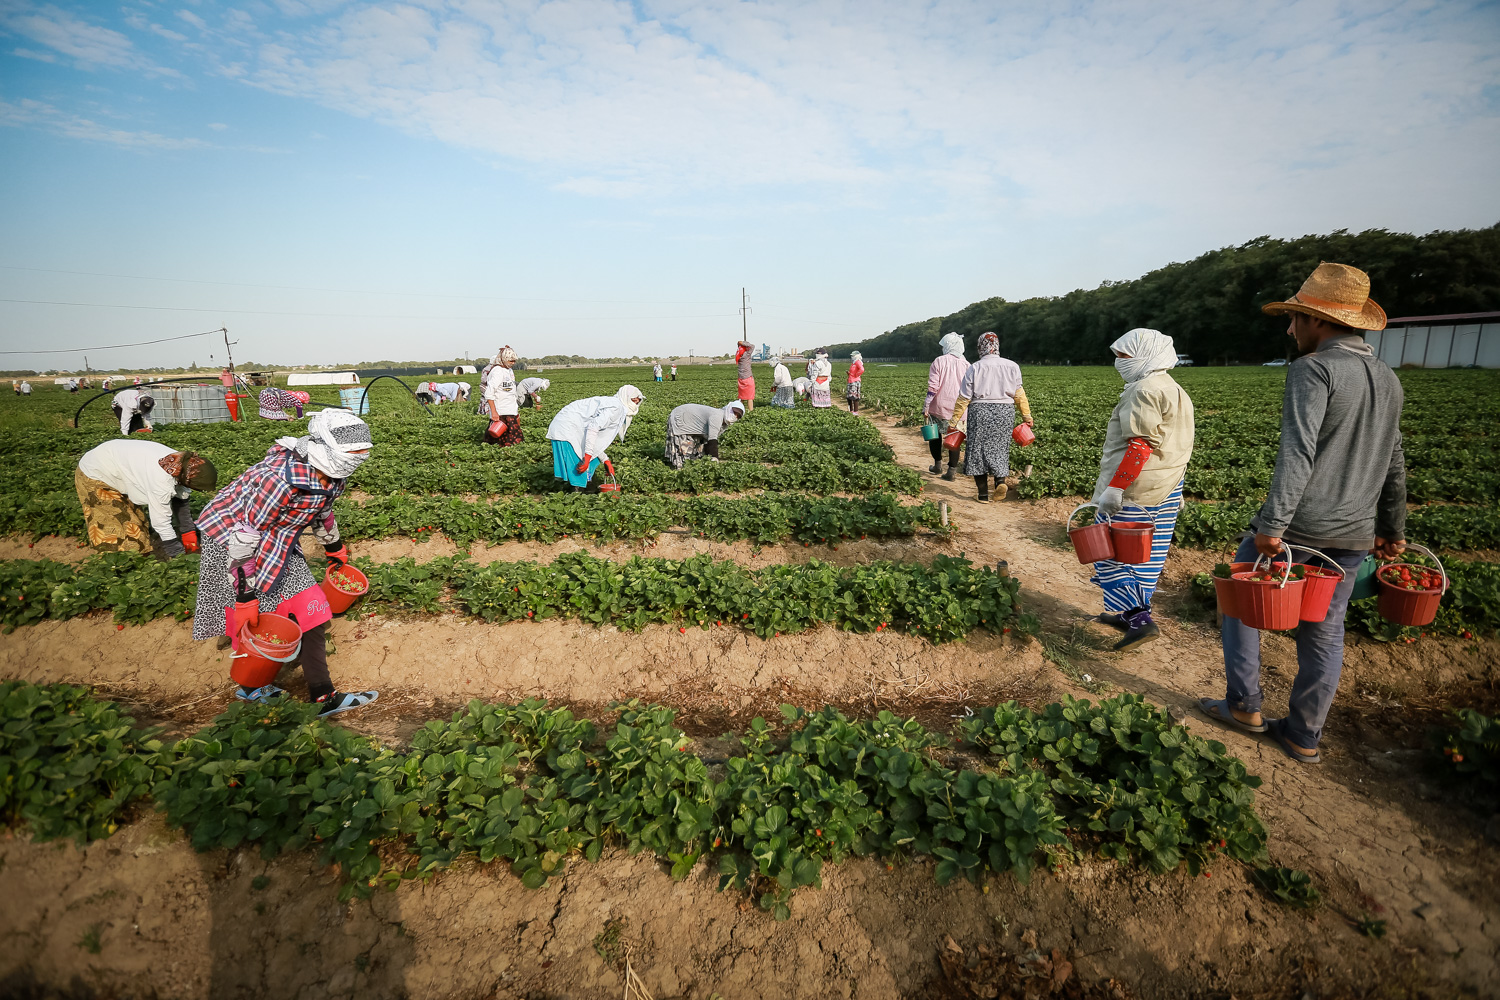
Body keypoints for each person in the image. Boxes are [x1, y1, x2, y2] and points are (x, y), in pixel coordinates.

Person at [1200, 262, 1404, 764]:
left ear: (1320, 321)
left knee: (1241, 603)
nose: (1290, 329)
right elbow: (1395, 459)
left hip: (1301, 528)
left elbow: (1298, 454)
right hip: (1354, 535)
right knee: (1325, 629)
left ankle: (1244, 705)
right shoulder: (1388, 378)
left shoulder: (1314, 370)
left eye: (1295, 319)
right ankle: (1303, 734)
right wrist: (1391, 529)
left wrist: (1272, 526)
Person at [192, 409, 379, 716]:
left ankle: (323, 696)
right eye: (353, 451)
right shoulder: (279, 480)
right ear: (326, 447)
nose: (359, 457)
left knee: (313, 610)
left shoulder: (333, 475)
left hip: (279, 538)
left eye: (362, 451)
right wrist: (244, 596)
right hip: (233, 540)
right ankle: (251, 687)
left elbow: (322, 511)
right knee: (255, 619)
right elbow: (244, 538)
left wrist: (335, 547)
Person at [1087, 328, 1195, 651]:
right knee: (1146, 557)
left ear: (1144, 355)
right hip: (1167, 489)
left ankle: (1139, 619)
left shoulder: (1144, 390)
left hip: (1137, 490)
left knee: (1106, 551)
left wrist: (1115, 488)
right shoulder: (1176, 390)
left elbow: (1140, 446)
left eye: (1124, 355)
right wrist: (1179, 489)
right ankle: (1131, 614)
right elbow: (1178, 445)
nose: (1118, 362)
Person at [76, 440, 217, 558]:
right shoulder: (161, 480)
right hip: (96, 473)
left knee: (137, 520)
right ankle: (116, 566)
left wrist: (188, 532)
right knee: (123, 531)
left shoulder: (182, 464)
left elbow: (181, 500)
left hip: (117, 466)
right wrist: (177, 554)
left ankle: (138, 558)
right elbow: (161, 522)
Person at [948, 332, 1030, 502]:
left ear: (980, 347)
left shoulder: (975, 367)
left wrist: (954, 422)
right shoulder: (1012, 366)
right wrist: (1026, 415)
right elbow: (1019, 394)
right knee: (1000, 448)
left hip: (980, 411)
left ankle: (983, 495)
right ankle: (1000, 482)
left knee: (977, 451)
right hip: (1005, 412)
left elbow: (964, 398)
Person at [546, 385, 644, 491]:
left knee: (592, 458)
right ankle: (576, 495)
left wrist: (605, 460)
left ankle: (582, 488)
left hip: (571, 428)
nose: (635, 404)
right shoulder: (615, 408)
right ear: (625, 397)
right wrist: (587, 457)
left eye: (637, 401)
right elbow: (593, 428)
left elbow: (595, 439)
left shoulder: (616, 405)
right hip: (566, 429)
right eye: (633, 400)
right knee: (579, 465)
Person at [925, 333, 970, 480]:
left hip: (939, 406)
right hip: (959, 409)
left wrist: (926, 405)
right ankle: (951, 471)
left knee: (934, 436)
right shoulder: (966, 364)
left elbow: (933, 387)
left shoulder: (939, 361)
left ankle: (937, 465)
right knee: (954, 438)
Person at [665, 402, 743, 468]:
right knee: (684, 454)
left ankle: (690, 463)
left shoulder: (725, 424)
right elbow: (712, 439)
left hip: (691, 422)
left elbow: (709, 439)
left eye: (738, 416)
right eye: (734, 412)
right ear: (728, 409)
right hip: (681, 418)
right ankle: (680, 467)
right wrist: (714, 458)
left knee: (697, 455)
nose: (734, 416)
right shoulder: (717, 416)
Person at [483, 347, 522, 446]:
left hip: (510, 409)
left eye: (514, 361)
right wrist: (494, 412)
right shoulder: (497, 371)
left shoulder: (508, 370)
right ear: (504, 359)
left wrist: (516, 411)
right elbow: (489, 393)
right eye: (511, 360)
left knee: (514, 440)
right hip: (501, 411)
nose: (513, 363)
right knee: (503, 439)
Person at [734, 340, 756, 412]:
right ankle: (751, 411)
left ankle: (738, 410)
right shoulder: (746, 355)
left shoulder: (739, 356)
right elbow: (752, 346)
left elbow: (742, 348)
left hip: (741, 379)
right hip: (748, 378)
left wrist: (740, 344)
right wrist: (743, 343)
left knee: (742, 397)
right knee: (750, 397)